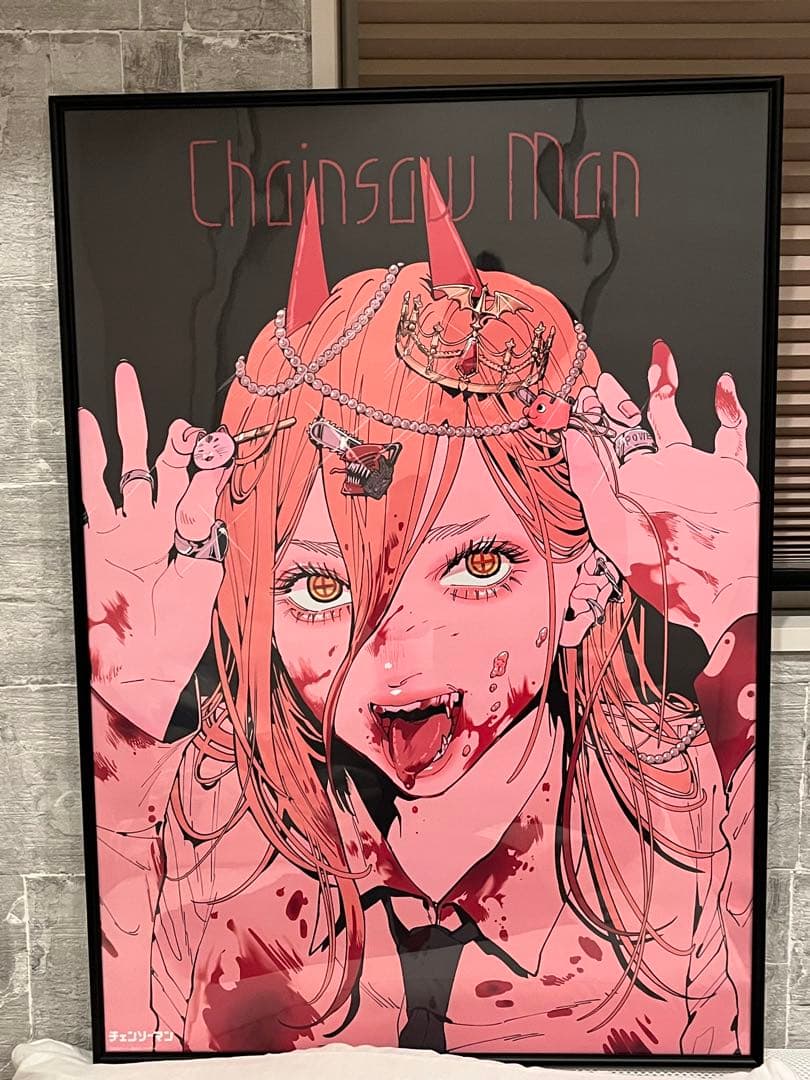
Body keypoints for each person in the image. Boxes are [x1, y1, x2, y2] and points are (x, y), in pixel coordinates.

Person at [81, 163, 759, 1057]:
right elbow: (139, 1028)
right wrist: (121, 712)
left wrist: (736, 612)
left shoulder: (685, 801)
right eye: (321, 587)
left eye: (477, 565)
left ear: (582, 580)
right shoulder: (209, 819)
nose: (393, 654)